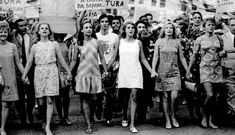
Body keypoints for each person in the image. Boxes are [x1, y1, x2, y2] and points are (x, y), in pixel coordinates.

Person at [22, 23, 72, 135]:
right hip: (39, 72)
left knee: (50, 99)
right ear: (38, 31)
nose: (44, 30)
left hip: (51, 71)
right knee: (40, 101)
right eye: (42, 28)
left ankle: (48, 126)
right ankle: (43, 120)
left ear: (49, 31)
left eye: (46, 28)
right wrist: (24, 75)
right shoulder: (35, 46)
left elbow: (61, 60)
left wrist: (68, 72)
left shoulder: (54, 44)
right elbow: (30, 62)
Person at [113, 22, 154, 133]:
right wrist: (106, 70)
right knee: (124, 98)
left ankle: (132, 124)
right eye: (128, 28)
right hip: (124, 72)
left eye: (132, 28)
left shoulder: (138, 43)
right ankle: (125, 117)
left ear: (135, 30)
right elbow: (114, 57)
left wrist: (152, 71)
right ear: (125, 30)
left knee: (134, 96)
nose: (131, 29)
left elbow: (143, 59)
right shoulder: (120, 42)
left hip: (136, 71)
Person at [70, 20, 108, 134]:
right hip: (82, 74)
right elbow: (73, 60)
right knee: (84, 98)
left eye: (90, 27)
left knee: (95, 98)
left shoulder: (97, 42)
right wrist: (69, 72)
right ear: (82, 30)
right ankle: (88, 124)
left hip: (95, 73)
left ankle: (92, 115)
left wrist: (105, 71)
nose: (88, 29)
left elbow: (102, 58)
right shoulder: (78, 43)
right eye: (86, 27)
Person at [186, 18, 225, 129]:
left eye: (213, 25)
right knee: (210, 94)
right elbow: (194, 55)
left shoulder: (219, 38)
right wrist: (188, 69)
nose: (211, 26)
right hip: (205, 68)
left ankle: (211, 119)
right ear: (204, 26)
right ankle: (204, 116)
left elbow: (222, 51)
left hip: (217, 68)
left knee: (215, 97)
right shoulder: (199, 39)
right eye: (209, 24)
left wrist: (223, 53)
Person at [151, 21, 188, 129]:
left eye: (171, 28)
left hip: (174, 71)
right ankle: (167, 119)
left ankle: (173, 116)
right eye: (166, 28)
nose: (169, 30)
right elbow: (155, 57)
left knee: (174, 96)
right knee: (165, 97)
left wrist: (187, 70)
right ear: (164, 30)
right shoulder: (159, 41)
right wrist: (153, 70)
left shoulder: (177, 42)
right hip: (162, 71)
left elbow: (182, 57)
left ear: (174, 30)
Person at [9, 18, 36, 126]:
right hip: (16, 70)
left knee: (31, 94)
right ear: (16, 28)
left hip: (30, 69)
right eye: (21, 26)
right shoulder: (12, 37)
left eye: (25, 25)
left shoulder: (31, 36)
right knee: (19, 95)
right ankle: (22, 117)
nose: (24, 27)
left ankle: (29, 113)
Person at [0, 21, 25, 135]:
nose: (2, 34)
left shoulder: (13, 46)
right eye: (0, 32)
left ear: (8, 33)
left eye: (5, 32)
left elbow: (18, 63)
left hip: (8, 76)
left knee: (5, 104)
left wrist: (24, 75)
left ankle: (2, 128)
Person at [96, 14, 119, 126]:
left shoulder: (114, 36)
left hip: (110, 66)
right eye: (102, 21)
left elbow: (114, 54)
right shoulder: (95, 36)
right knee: (99, 93)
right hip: (98, 66)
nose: (104, 23)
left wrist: (108, 68)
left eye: (106, 21)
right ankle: (98, 108)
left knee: (109, 93)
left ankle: (108, 117)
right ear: (99, 22)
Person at [54, 33, 72, 125]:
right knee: (57, 95)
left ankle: (66, 116)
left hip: (66, 71)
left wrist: (69, 72)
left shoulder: (67, 42)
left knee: (66, 96)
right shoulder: (52, 43)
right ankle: (59, 115)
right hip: (55, 71)